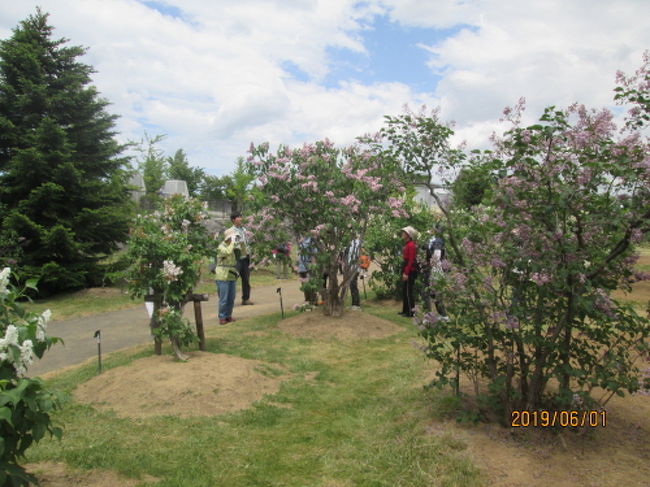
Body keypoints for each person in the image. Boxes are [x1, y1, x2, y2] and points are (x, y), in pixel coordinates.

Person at [214, 227, 239, 324]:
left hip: (231, 274)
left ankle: (229, 315)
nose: (234, 239)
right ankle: (222, 317)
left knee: (231, 297)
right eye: (233, 237)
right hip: (222, 275)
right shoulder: (221, 247)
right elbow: (227, 252)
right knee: (223, 298)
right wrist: (232, 243)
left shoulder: (233, 247)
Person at [229, 211, 254, 305]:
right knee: (233, 278)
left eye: (240, 216)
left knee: (246, 278)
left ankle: (246, 298)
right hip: (236, 257)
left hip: (245, 257)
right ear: (233, 220)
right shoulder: (231, 231)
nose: (240, 218)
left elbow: (248, 242)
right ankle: (230, 300)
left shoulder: (244, 229)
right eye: (238, 217)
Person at [423, 225, 447, 317]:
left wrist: (430, 265)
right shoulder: (433, 240)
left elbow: (437, 255)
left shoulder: (438, 241)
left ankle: (442, 315)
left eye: (433, 229)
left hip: (435, 269)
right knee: (432, 293)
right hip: (433, 268)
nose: (431, 230)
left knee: (432, 293)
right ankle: (442, 315)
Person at [399, 226, 419, 317]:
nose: (402, 234)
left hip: (410, 270)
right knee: (404, 291)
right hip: (406, 268)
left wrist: (406, 273)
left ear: (408, 235)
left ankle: (411, 312)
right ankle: (405, 310)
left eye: (404, 232)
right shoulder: (407, 244)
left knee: (408, 291)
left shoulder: (411, 245)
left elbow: (411, 260)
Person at [297, 236, 318, 304]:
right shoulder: (301, 240)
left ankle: (313, 300)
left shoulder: (311, 241)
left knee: (311, 283)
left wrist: (313, 266)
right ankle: (307, 299)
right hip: (301, 266)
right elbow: (299, 254)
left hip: (308, 265)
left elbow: (314, 254)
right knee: (304, 284)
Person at [344, 237, 362, 310]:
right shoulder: (350, 243)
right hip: (350, 267)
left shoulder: (357, 243)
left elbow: (358, 256)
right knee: (352, 285)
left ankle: (356, 304)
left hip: (354, 268)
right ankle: (354, 303)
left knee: (353, 284)